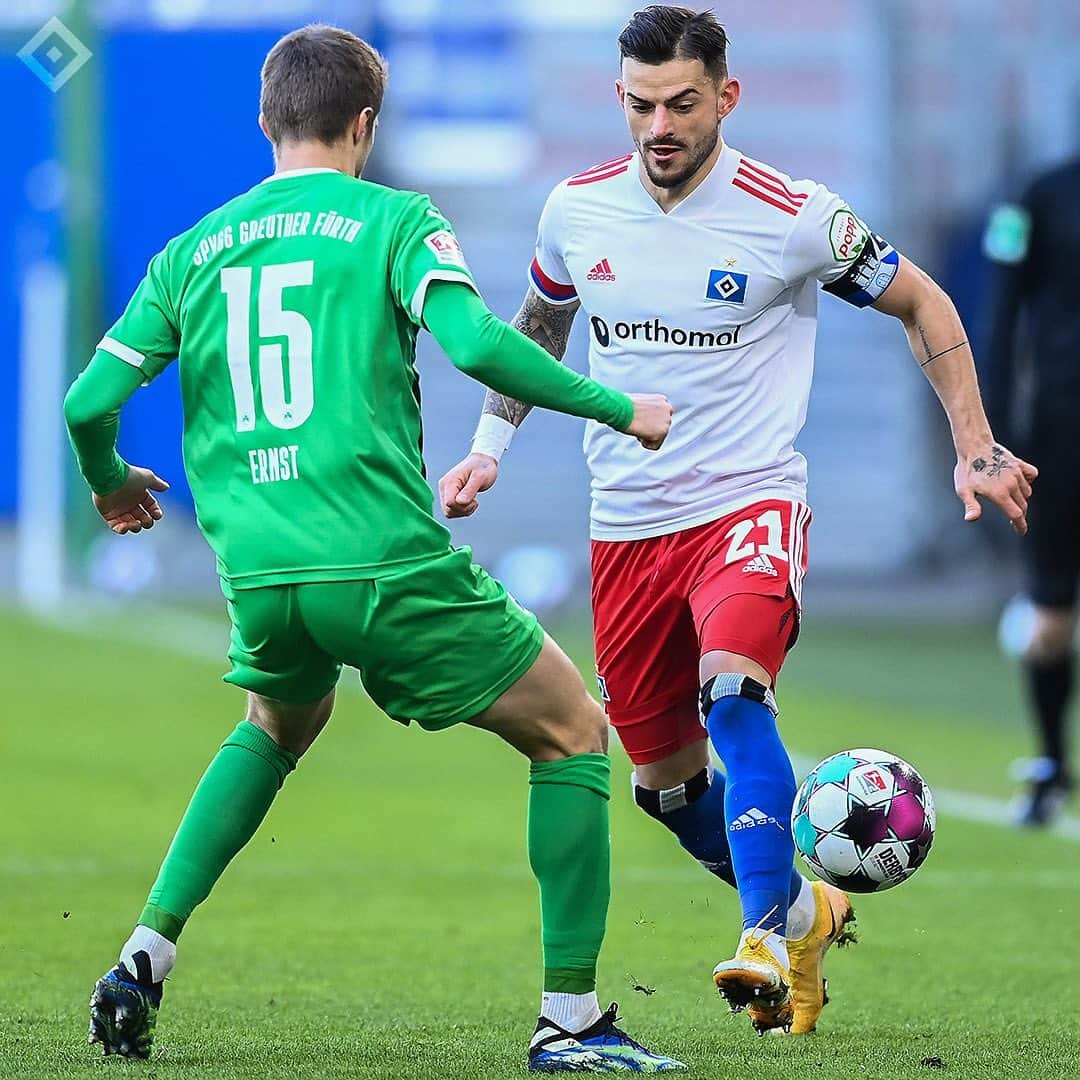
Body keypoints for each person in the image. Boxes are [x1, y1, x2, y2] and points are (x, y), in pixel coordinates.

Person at [64, 25, 685, 1074]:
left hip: (260, 577)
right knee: (575, 732)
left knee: (278, 720)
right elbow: (483, 344)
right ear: (366, 125)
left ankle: (143, 956)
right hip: (382, 562)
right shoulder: (394, 219)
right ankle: (570, 1022)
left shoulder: (193, 248)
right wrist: (623, 408)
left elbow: (88, 404)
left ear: (265, 123)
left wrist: (112, 483)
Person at [439, 4, 1037, 1036]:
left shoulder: (795, 213)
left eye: (680, 103)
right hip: (626, 529)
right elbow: (539, 322)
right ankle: (806, 914)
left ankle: (760, 933)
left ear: (726, 95)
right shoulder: (576, 212)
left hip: (747, 504)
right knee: (664, 789)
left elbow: (926, 304)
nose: (658, 125)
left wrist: (975, 443)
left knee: (735, 691)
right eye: (638, 104)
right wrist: (488, 451)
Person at [980, 155, 1080, 826]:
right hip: (1059, 427)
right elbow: (1002, 309)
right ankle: (1050, 765)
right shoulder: (1040, 195)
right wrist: (988, 430)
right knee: (1050, 610)